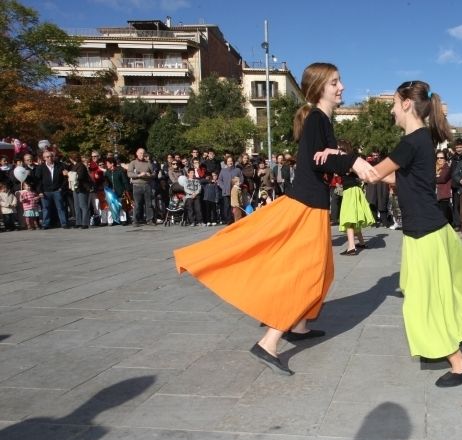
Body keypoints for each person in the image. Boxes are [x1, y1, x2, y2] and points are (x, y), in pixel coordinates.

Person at [174, 63, 372, 376]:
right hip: (307, 206)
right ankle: (269, 341)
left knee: (320, 271)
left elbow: (323, 160)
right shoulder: (317, 119)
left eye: (340, 81)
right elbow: (316, 161)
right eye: (335, 82)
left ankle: (300, 326)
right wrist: (352, 160)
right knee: (308, 275)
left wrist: (343, 159)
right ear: (320, 86)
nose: (342, 87)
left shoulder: (321, 120)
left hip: (312, 204)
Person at [351, 80, 462, 387]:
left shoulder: (411, 142)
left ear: (407, 103)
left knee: (423, 300)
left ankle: (460, 362)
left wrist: (345, 159)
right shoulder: (420, 140)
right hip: (424, 228)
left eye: (394, 103)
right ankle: (456, 331)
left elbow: (373, 173)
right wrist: (374, 171)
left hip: (424, 230)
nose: (392, 110)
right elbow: (398, 177)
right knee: (422, 290)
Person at [337, 140, 374, 255]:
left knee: (349, 218)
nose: (336, 150)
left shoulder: (348, 159)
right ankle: (361, 242)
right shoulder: (349, 158)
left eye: (338, 148)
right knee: (353, 217)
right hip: (354, 189)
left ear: (342, 149)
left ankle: (351, 247)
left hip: (351, 191)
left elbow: (354, 170)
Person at [34, 150, 68, 229]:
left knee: (60, 208)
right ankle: (45, 224)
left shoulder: (60, 166)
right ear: (44, 158)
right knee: (46, 209)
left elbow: (65, 179)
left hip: (57, 190)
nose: (50, 158)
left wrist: (61, 188)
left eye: (51, 156)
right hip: (45, 191)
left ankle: (64, 223)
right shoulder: (40, 167)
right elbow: (38, 181)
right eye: (47, 157)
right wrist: (40, 191)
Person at [128, 148, 155, 226]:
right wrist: (139, 175)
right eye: (140, 153)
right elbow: (129, 174)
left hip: (147, 185)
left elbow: (154, 174)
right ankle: (135, 220)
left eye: (143, 153)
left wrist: (150, 175)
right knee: (137, 204)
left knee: (149, 204)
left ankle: (149, 220)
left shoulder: (148, 163)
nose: (142, 155)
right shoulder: (133, 163)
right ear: (137, 153)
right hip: (137, 186)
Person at [434, 149, 452, 224]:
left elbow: (443, 178)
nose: (439, 159)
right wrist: (436, 176)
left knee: (443, 216)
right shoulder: (433, 168)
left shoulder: (447, 168)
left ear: (445, 159)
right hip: (434, 196)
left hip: (443, 196)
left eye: (441, 158)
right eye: (438, 158)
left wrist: (434, 177)